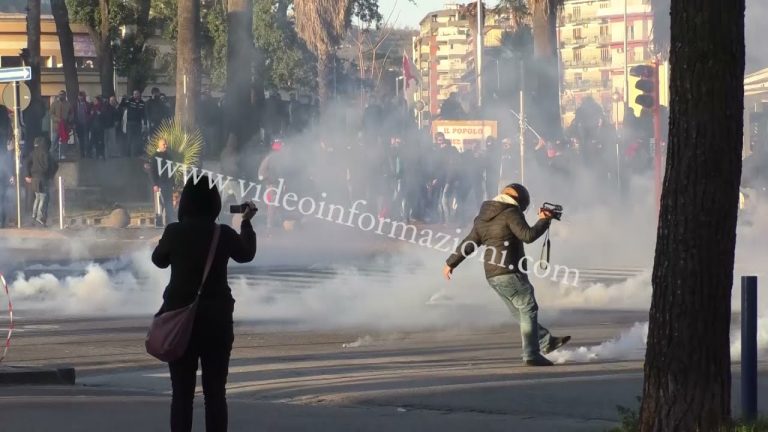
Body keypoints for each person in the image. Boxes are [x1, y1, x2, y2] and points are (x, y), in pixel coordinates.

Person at [152, 176, 256, 432]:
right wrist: (246, 224)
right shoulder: (223, 234)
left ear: (185, 202)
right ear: (215, 204)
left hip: (179, 322)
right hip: (216, 322)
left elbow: (159, 260)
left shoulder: (175, 231)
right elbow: (246, 254)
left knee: (182, 395)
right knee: (215, 394)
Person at [442, 183, 570, 366]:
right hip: (510, 270)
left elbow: (469, 242)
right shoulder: (511, 212)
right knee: (528, 307)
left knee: (519, 310)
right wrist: (544, 220)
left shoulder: (482, 217)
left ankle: (545, 341)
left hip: (492, 274)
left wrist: (450, 263)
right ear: (521, 201)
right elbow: (527, 235)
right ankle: (532, 354)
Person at [24, 137, 58, 227]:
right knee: (43, 198)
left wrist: (28, 175)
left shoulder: (33, 153)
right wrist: (50, 175)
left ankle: (34, 216)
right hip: (43, 178)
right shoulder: (47, 154)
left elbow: (26, 162)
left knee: (37, 198)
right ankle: (40, 217)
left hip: (34, 179)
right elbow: (54, 165)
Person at [150, 138, 175, 226]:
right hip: (160, 184)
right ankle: (159, 222)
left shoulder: (168, 156)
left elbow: (171, 170)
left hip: (168, 183)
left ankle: (170, 221)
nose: (165, 146)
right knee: (159, 204)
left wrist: (173, 183)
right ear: (159, 145)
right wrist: (155, 184)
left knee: (169, 202)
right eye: (163, 144)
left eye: (166, 144)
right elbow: (152, 171)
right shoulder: (155, 157)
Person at [122, 90, 146, 157]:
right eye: (134, 94)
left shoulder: (142, 103)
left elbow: (144, 114)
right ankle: (127, 154)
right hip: (130, 123)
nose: (136, 95)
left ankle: (137, 153)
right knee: (129, 139)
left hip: (138, 123)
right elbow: (122, 105)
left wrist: (145, 124)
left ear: (139, 94)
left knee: (138, 139)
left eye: (137, 94)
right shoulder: (130, 101)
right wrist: (124, 98)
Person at [50, 90, 73, 159]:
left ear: (65, 96)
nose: (61, 96)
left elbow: (71, 113)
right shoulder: (54, 104)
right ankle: (52, 154)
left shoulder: (68, 104)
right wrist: (57, 119)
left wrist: (69, 119)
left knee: (64, 140)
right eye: (60, 95)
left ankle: (63, 154)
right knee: (54, 140)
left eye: (62, 95)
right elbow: (51, 114)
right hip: (56, 126)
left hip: (65, 126)